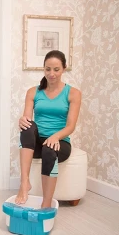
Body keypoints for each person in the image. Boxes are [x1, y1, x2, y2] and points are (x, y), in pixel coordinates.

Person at [16, 50, 82, 208]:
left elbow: (71, 126)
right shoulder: (33, 92)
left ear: (64, 68)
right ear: (43, 68)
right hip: (37, 143)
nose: (51, 74)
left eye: (56, 69)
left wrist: (55, 137)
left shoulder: (73, 93)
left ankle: (46, 204)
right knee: (27, 126)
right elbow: (28, 119)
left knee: (49, 149)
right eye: (48, 69)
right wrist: (22, 120)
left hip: (60, 142)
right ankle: (24, 183)